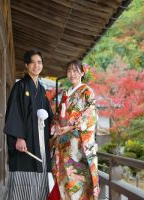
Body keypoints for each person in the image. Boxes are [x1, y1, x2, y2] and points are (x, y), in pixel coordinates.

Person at [3, 48, 53, 200]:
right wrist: (19, 137)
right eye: (32, 63)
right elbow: (14, 112)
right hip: (26, 141)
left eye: (39, 62)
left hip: (40, 141)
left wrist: (57, 126)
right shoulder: (21, 87)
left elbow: (49, 115)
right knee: (23, 176)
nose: (36, 66)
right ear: (26, 65)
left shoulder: (42, 89)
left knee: (40, 174)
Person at [51, 61, 100, 199]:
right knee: (65, 179)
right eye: (69, 71)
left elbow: (90, 114)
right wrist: (58, 126)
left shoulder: (87, 91)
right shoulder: (66, 93)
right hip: (63, 144)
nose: (71, 74)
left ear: (82, 73)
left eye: (75, 71)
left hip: (77, 144)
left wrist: (71, 126)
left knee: (78, 180)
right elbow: (58, 114)